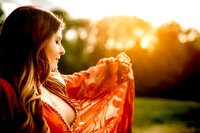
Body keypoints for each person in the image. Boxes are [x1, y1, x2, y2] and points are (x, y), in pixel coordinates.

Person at [0, 5, 135, 133]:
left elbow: (82, 81)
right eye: (57, 41)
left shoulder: (51, 83)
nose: (62, 50)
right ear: (36, 43)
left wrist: (113, 69)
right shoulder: (5, 91)